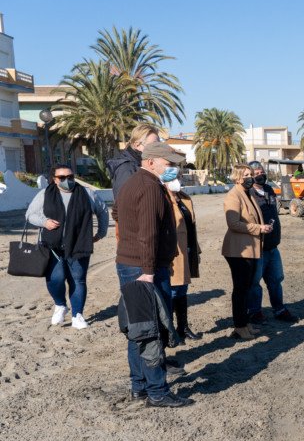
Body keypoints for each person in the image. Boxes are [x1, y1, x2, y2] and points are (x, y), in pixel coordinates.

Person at [115, 142, 190, 408]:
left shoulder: (136, 183)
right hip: (142, 268)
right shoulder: (148, 187)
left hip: (135, 264)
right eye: (168, 163)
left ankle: (140, 387)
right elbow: (148, 234)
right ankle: (157, 391)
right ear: (150, 162)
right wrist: (148, 270)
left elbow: (119, 215)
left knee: (139, 329)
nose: (173, 168)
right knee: (150, 330)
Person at [25, 163, 109, 329]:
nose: (67, 180)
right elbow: (30, 215)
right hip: (52, 245)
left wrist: (101, 233)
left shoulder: (87, 193)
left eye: (70, 177)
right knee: (55, 278)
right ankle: (60, 304)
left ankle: (77, 315)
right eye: (62, 177)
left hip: (79, 244)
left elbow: (103, 211)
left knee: (77, 280)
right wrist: (44, 222)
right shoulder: (45, 194)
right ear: (54, 179)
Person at [223, 164, 272, 339]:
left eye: (251, 174)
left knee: (246, 288)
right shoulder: (233, 196)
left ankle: (245, 323)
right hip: (238, 251)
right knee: (240, 289)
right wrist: (258, 228)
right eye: (246, 175)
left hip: (250, 249)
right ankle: (240, 326)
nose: (251, 177)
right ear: (237, 178)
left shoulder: (247, 193)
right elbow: (233, 223)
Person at [246, 161, 296, 324]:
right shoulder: (247, 193)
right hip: (257, 247)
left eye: (261, 172)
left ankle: (279, 309)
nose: (260, 175)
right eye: (256, 173)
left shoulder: (268, 190)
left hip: (273, 247)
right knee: (254, 283)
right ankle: (255, 312)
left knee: (276, 280)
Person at [164, 169, 201, 340]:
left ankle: (183, 327)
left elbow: (191, 227)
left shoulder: (185, 198)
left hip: (187, 251)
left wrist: (196, 250)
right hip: (173, 253)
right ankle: (168, 330)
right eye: (174, 178)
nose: (178, 180)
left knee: (182, 291)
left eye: (179, 177)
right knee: (171, 292)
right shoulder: (163, 199)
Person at [107, 123, 160, 215]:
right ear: (137, 145)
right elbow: (124, 205)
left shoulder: (142, 164)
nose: (157, 149)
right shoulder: (126, 168)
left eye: (158, 145)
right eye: (153, 145)